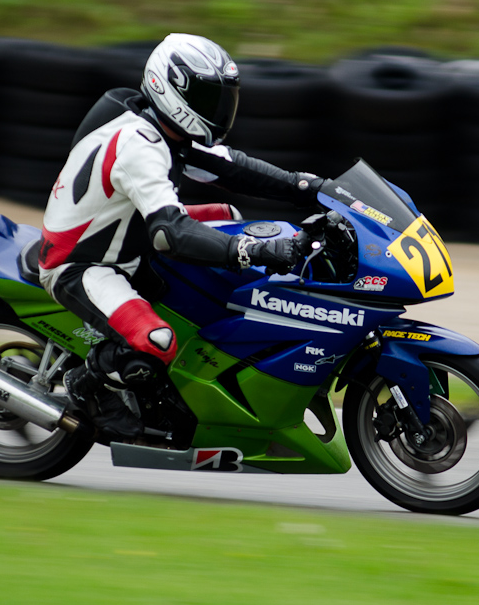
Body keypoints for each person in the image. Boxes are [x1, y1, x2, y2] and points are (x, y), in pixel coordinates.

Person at [37, 33, 324, 444]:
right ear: (170, 89)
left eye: (224, 99)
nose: (220, 110)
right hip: (84, 262)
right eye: (210, 99)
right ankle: (89, 381)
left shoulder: (166, 130)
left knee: (230, 217)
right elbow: (169, 233)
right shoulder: (140, 145)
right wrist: (252, 251)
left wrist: (311, 187)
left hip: (126, 239)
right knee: (158, 341)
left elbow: (236, 169)